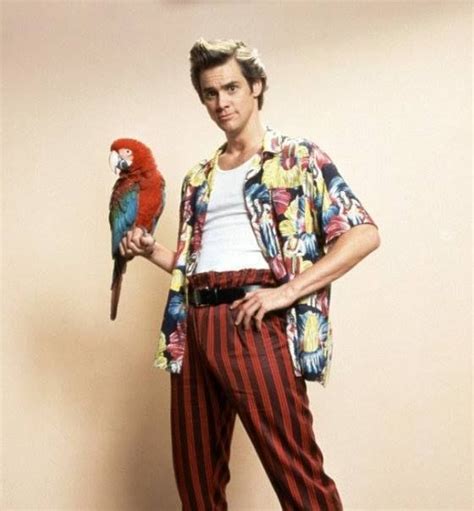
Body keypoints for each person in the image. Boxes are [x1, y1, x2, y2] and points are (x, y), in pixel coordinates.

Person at [120, 38, 380, 511]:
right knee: (196, 484)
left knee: (297, 475)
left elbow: (362, 233)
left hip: (254, 323)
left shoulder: (297, 158)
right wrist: (151, 249)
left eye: (232, 88)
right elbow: (192, 262)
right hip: (193, 327)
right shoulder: (198, 177)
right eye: (210, 93)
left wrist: (287, 293)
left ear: (257, 87)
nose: (222, 103)